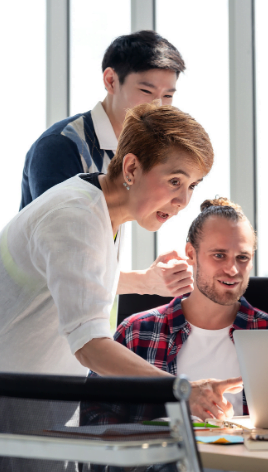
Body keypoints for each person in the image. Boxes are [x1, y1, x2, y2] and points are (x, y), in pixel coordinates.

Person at [0, 103, 240, 421]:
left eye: (192, 186)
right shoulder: (76, 216)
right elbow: (89, 344)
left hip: (9, 387)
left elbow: (71, 281)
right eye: (174, 181)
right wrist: (182, 390)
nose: (184, 201)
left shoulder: (103, 208)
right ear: (131, 169)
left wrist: (146, 282)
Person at [82, 197, 268, 425]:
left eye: (242, 258)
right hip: (159, 459)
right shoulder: (134, 333)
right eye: (219, 255)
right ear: (191, 253)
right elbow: (94, 416)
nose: (232, 269)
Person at [20, 30, 193, 299]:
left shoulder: (132, 152)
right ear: (111, 81)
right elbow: (63, 263)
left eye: (168, 96)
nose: (158, 107)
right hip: (30, 314)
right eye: (146, 91)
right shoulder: (62, 146)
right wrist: (145, 282)